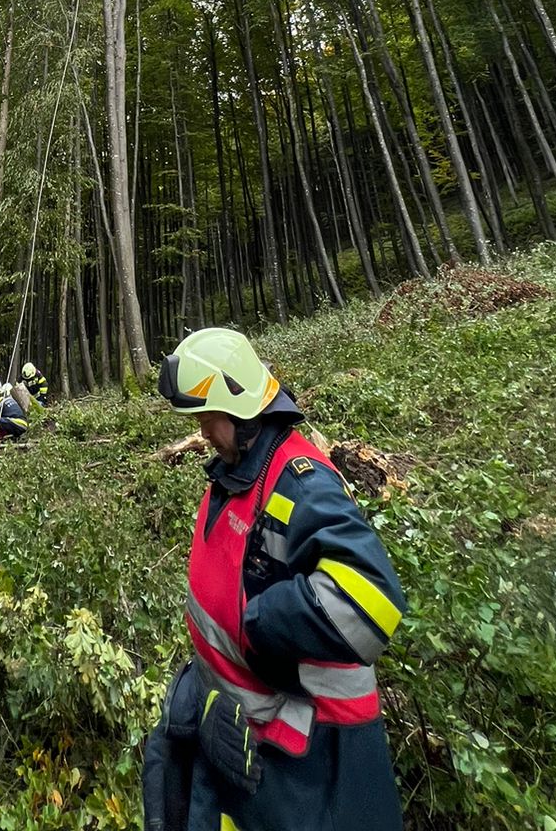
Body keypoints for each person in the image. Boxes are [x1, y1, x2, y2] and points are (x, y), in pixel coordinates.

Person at [148, 326, 405, 831]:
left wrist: (263, 624)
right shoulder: (238, 473)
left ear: (239, 406)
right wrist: (200, 691)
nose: (201, 432)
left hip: (310, 770)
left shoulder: (301, 484)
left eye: (206, 418)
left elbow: (373, 599)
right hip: (242, 748)